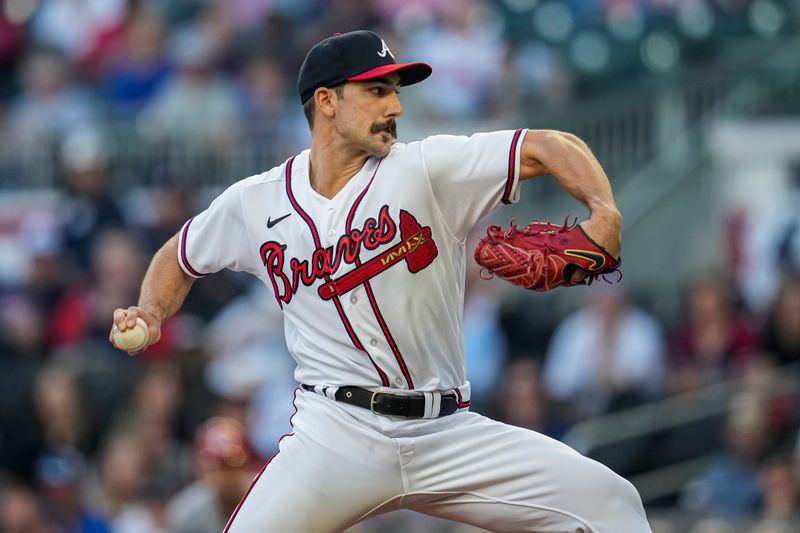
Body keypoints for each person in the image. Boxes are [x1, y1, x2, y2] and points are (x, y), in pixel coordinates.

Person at [110, 30, 651, 532]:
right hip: (336, 435)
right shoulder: (256, 202)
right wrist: (152, 311)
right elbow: (179, 257)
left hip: (446, 431)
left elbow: (547, 144)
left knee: (611, 502)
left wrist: (604, 211)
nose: (395, 107)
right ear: (326, 102)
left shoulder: (426, 169)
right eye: (376, 91)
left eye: (395, 91)